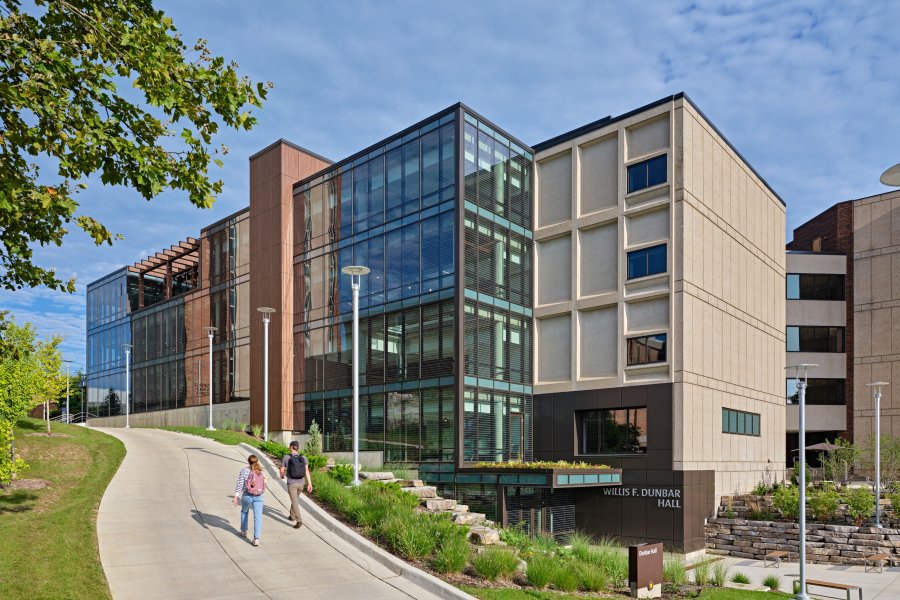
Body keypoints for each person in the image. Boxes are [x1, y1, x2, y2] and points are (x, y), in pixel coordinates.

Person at [234, 454, 266, 546]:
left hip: (247, 495)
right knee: (258, 517)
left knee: (244, 512)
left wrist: (236, 496)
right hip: (259, 496)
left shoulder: (244, 470)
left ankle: (244, 531)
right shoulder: (261, 471)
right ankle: (256, 538)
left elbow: (240, 484)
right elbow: (265, 482)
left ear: (248, 461)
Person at [280, 440, 312, 528]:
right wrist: (310, 484)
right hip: (301, 484)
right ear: (297, 448)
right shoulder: (303, 457)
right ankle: (292, 516)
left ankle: (299, 521)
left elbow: (282, 470)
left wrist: (282, 476)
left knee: (294, 502)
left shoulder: (287, 457)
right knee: (294, 500)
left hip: (292, 484)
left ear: (291, 447)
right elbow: (306, 471)